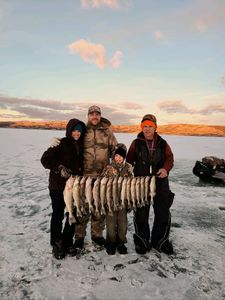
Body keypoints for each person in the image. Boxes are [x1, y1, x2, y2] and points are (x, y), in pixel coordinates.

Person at [126, 114, 175, 255]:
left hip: (160, 181)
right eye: (145, 126)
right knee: (141, 212)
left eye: (150, 126)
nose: (147, 129)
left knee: (163, 212)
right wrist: (128, 176)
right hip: (141, 183)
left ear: (155, 128)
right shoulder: (136, 143)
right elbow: (129, 162)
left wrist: (165, 169)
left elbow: (170, 158)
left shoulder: (162, 142)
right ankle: (142, 241)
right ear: (142, 128)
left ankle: (161, 242)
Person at [41, 119, 86, 259]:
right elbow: (45, 159)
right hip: (57, 186)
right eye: (74, 130)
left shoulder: (81, 146)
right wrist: (59, 167)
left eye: (79, 130)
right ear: (69, 130)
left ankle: (67, 241)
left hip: (73, 187)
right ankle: (56, 243)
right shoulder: (61, 143)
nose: (77, 133)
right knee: (58, 214)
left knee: (72, 214)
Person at [74, 105, 118, 250]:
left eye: (97, 114)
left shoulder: (107, 132)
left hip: (101, 178)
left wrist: (115, 160)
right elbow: (72, 144)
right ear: (88, 116)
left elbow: (115, 149)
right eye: (92, 114)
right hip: (84, 177)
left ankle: (97, 235)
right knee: (82, 207)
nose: (95, 116)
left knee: (99, 207)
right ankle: (79, 237)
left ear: (100, 116)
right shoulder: (82, 130)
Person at [101, 143, 133, 255]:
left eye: (120, 156)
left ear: (124, 157)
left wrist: (130, 201)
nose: (118, 158)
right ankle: (110, 242)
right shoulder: (108, 168)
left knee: (123, 223)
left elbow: (132, 186)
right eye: (116, 156)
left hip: (123, 201)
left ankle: (121, 243)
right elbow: (102, 184)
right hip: (110, 201)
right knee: (110, 223)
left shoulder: (128, 168)